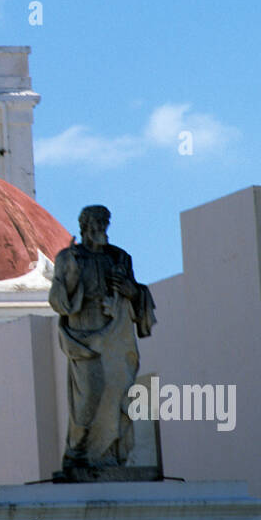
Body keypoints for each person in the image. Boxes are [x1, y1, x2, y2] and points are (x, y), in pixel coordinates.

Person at [48, 205, 156, 481]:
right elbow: (58, 301)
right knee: (88, 399)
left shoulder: (119, 258)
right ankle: (79, 456)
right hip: (84, 338)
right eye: (95, 224)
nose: (100, 228)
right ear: (84, 227)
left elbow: (139, 295)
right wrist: (72, 274)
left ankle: (111, 458)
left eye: (104, 223)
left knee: (118, 394)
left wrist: (131, 291)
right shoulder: (68, 257)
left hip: (116, 339)